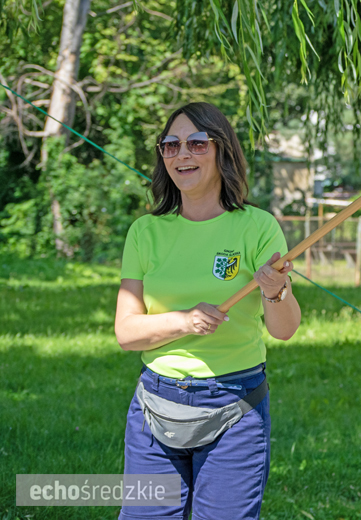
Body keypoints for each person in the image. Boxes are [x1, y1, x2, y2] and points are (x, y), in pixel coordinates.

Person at [114, 102, 301, 520]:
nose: (183, 154)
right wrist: (184, 321)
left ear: (222, 151)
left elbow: (285, 330)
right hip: (155, 406)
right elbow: (126, 333)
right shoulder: (145, 232)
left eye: (198, 143)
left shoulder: (257, 226)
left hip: (236, 405)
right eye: (171, 145)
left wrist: (275, 292)